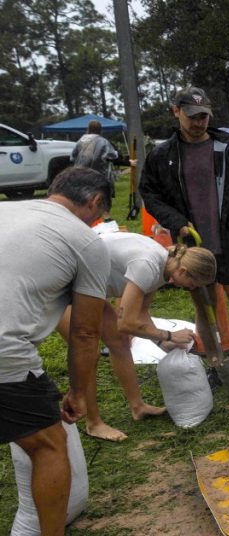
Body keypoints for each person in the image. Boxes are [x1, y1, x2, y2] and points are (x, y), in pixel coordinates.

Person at [139, 86, 229, 392]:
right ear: (176, 112)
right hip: (193, 245)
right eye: (191, 116)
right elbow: (149, 194)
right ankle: (215, 364)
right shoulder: (163, 155)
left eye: (203, 116)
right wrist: (177, 222)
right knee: (203, 304)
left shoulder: (227, 147)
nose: (199, 122)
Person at [0, 167, 111, 536]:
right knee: (48, 445)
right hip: (5, 351)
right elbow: (84, 331)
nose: (97, 222)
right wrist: (79, 394)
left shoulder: (8, 209)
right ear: (95, 202)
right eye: (100, 214)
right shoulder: (85, 241)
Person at [55, 233, 217, 441]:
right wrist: (169, 334)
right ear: (183, 271)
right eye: (192, 284)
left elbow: (141, 313)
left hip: (88, 288)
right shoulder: (147, 265)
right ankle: (93, 423)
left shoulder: (163, 265)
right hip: (62, 286)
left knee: (119, 342)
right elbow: (126, 323)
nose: (190, 289)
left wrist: (162, 341)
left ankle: (138, 407)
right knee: (88, 351)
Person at [72, 119, 131, 220]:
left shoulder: (80, 141)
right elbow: (113, 157)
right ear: (100, 130)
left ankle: (85, 220)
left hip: (81, 176)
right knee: (103, 199)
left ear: (88, 129)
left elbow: (73, 158)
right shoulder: (103, 141)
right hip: (99, 177)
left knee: (85, 200)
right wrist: (129, 163)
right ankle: (106, 218)